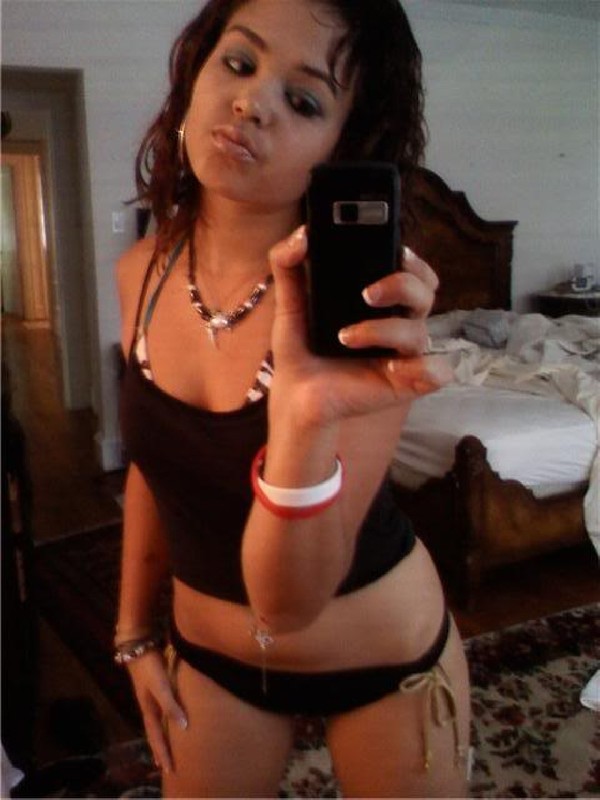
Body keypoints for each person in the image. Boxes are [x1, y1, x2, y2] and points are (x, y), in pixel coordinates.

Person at [115, 0, 471, 796]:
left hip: (381, 655)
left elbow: (288, 604)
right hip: (210, 659)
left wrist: (305, 420)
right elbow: (153, 464)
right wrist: (134, 633)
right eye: (239, 64)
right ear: (195, 75)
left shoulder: (368, 310)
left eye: (305, 101)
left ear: (342, 145)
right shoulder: (140, 271)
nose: (252, 102)